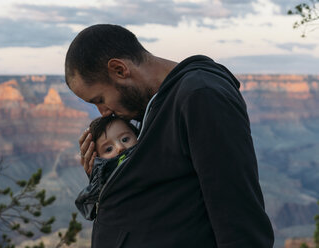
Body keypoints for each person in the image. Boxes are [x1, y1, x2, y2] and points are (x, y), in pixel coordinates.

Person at [65, 24, 274, 247]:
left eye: (99, 99)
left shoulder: (201, 95)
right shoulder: (155, 106)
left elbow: (238, 215)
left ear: (119, 69)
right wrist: (109, 176)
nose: (104, 112)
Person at [75, 116, 139, 220]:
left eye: (125, 139)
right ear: (98, 160)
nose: (120, 148)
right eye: (109, 149)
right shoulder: (102, 191)